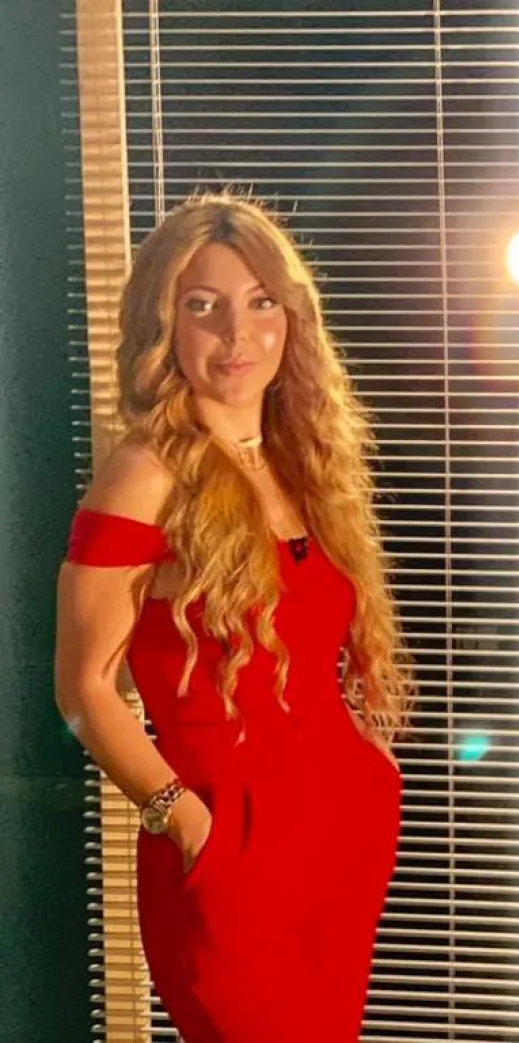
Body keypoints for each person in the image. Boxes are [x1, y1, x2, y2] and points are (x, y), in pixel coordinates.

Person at [54, 192, 414, 1042]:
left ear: (291, 318)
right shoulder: (144, 472)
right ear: (164, 325)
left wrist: (372, 766)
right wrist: (183, 819)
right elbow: (83, 689)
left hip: (341, 834)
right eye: (203, 306)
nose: (237, 333)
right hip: (228, 849)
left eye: (260, 303)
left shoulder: (303, 462)